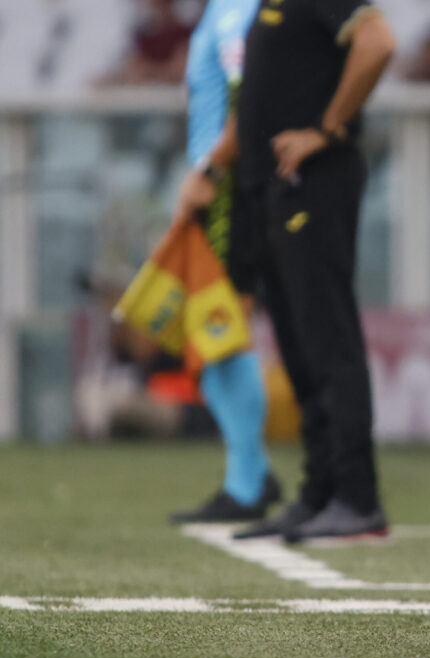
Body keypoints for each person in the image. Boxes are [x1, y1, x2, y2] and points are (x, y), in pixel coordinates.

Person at [176, 0, 396, 542]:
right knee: (298, 348)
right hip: (268, 189)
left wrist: (326, 129)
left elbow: (379, 42)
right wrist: (210, 168)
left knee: (327, 341)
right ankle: (319, 492)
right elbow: (253, 102)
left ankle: (356, 497)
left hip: (312, 181)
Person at [166, 0, 281, 523]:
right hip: (216, 183)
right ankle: (251, 471)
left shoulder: (241, 11)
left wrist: (209, 171)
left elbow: (247, 100)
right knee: (215, 335)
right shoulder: (221, 9)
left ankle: (248, 479)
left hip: (228, 189)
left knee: (220, 332)